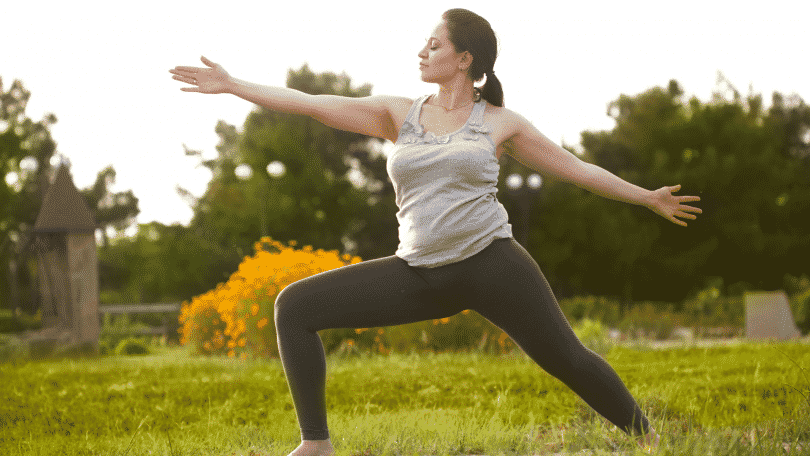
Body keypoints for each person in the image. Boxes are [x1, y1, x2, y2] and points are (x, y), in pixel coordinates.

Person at [170, 8, 699, 456]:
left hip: (493, 265)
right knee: (295, 307)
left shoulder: (499, 123)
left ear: (464, 59)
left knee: (567, 358)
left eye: (433, 44)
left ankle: (650, 441)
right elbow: (311, 103)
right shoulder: (397, 114)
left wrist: (646, 196)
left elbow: (576, 169)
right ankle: (316, 444)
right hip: (418, 271)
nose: (421, 52)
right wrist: (234, 86)